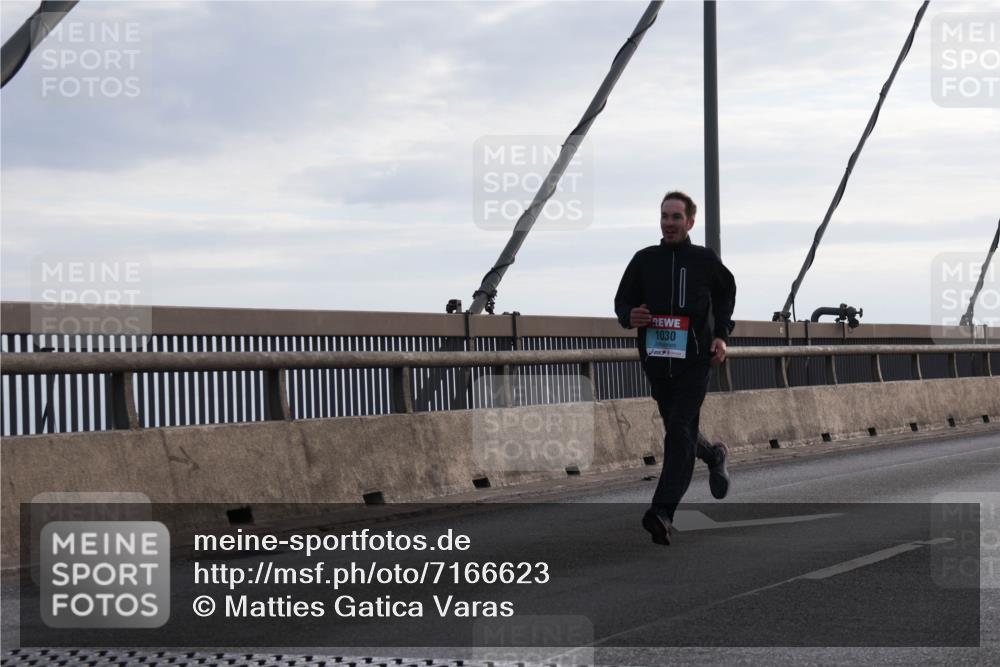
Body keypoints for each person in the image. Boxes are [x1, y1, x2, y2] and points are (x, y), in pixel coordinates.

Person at [614, 191, 737, 546]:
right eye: (665, 216)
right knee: (679, 431)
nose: (669, 223)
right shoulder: (644, 260)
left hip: (695, 361)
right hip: (657, 363)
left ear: (690, 222)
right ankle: (715, 454)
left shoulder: (703, 260)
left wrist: (720, 335)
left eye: (676, 217)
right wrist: (628, 316)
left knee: (679, 431)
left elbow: (726, 293)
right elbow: (623, 300)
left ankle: (662, 513)